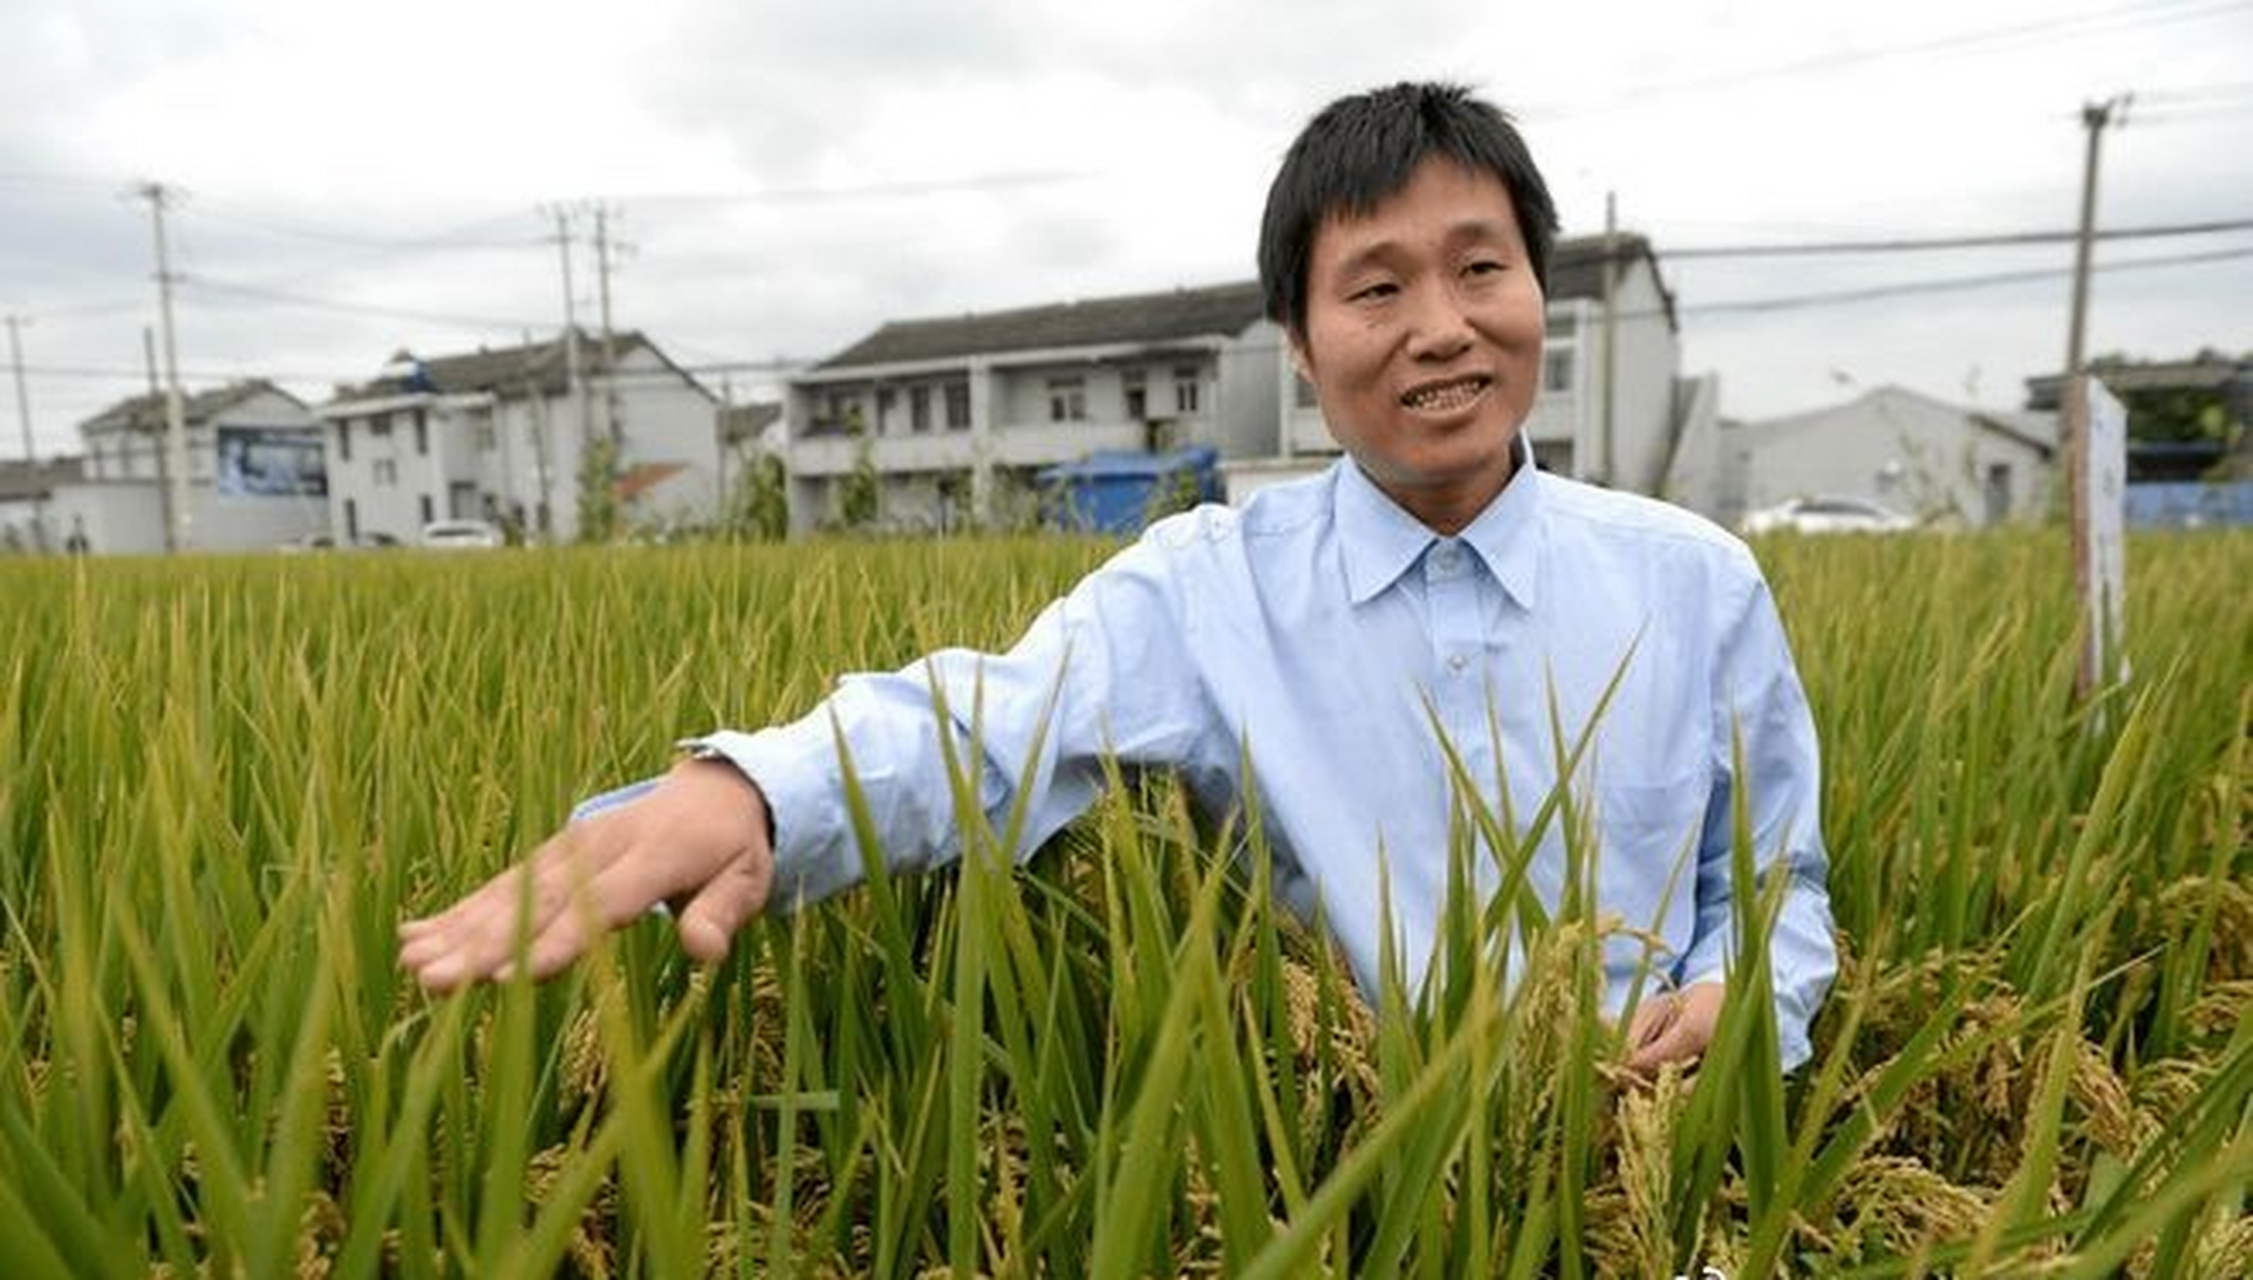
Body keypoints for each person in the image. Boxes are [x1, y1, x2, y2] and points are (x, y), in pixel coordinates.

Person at [400, 81, 1836, 1073]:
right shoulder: (1209, 591)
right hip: (1349, 1162)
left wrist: (1739, 1004)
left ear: (1538, 290)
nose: (1440, 329)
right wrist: (754, 789)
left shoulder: (1693, 585)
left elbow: (1771, 878)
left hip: (1649, 1145)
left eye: (1480, 269)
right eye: (1377, 287)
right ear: (1297, 338)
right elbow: (982, 725)